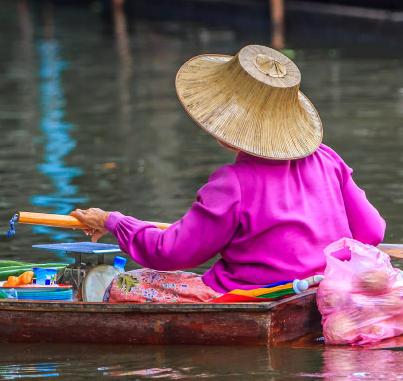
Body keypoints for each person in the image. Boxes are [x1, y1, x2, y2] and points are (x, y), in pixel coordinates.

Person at [70, 45, 386, 303]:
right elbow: (372, 231)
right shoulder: (327, 159)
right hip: (325, 293)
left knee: (125, 284)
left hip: (254, 298)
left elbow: (172, 252)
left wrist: (115, 222)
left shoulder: (232, 183)